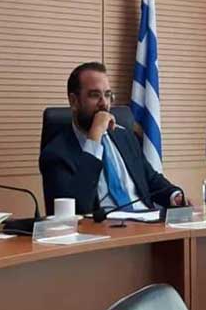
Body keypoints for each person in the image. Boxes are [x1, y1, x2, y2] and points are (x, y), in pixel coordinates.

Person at [39, 62, 186, 215]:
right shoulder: (56, 154)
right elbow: (76, 209)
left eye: (108, 95)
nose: (104, 103)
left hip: (146, 221)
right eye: (95, 95)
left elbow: (151, 180)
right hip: (103, 227)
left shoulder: (125, 137)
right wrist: (94, 137)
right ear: (74, 101)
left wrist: (174, 195)